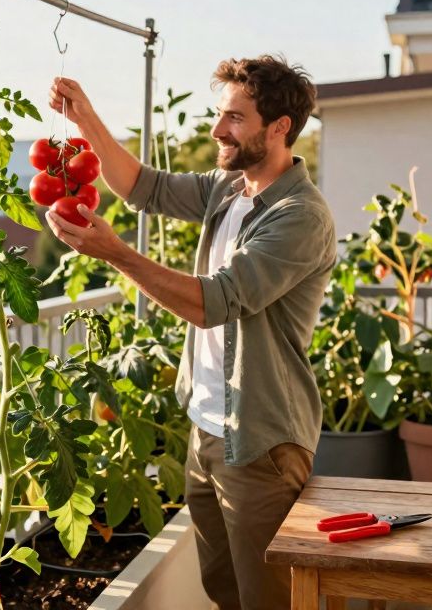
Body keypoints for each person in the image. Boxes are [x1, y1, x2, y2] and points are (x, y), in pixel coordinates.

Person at [45, 55, 336, 610]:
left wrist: (116, 254)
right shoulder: (229, 188)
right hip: (208, 426)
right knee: (224, 591)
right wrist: (86, 120)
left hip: (259, 440)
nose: (216, 129)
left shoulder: (300, 215)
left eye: (234, 118)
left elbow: (215, 302)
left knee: (267, 601)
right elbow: (142, 187)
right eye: (218, 114)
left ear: (279, 128)